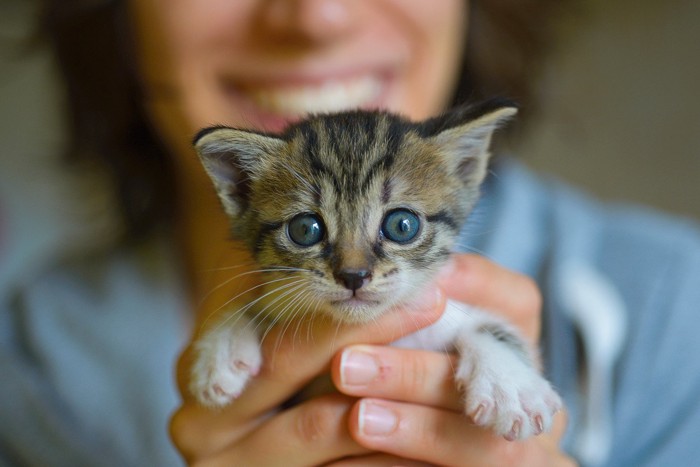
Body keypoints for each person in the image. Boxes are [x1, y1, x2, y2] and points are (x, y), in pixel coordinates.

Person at [2, 0, 699, 465]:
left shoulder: (674, 311)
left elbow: (475, 333)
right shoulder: (28, 371)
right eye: (310, 229)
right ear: (240, 188)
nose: (316, 16)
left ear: (463, 171)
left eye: (399, 225)